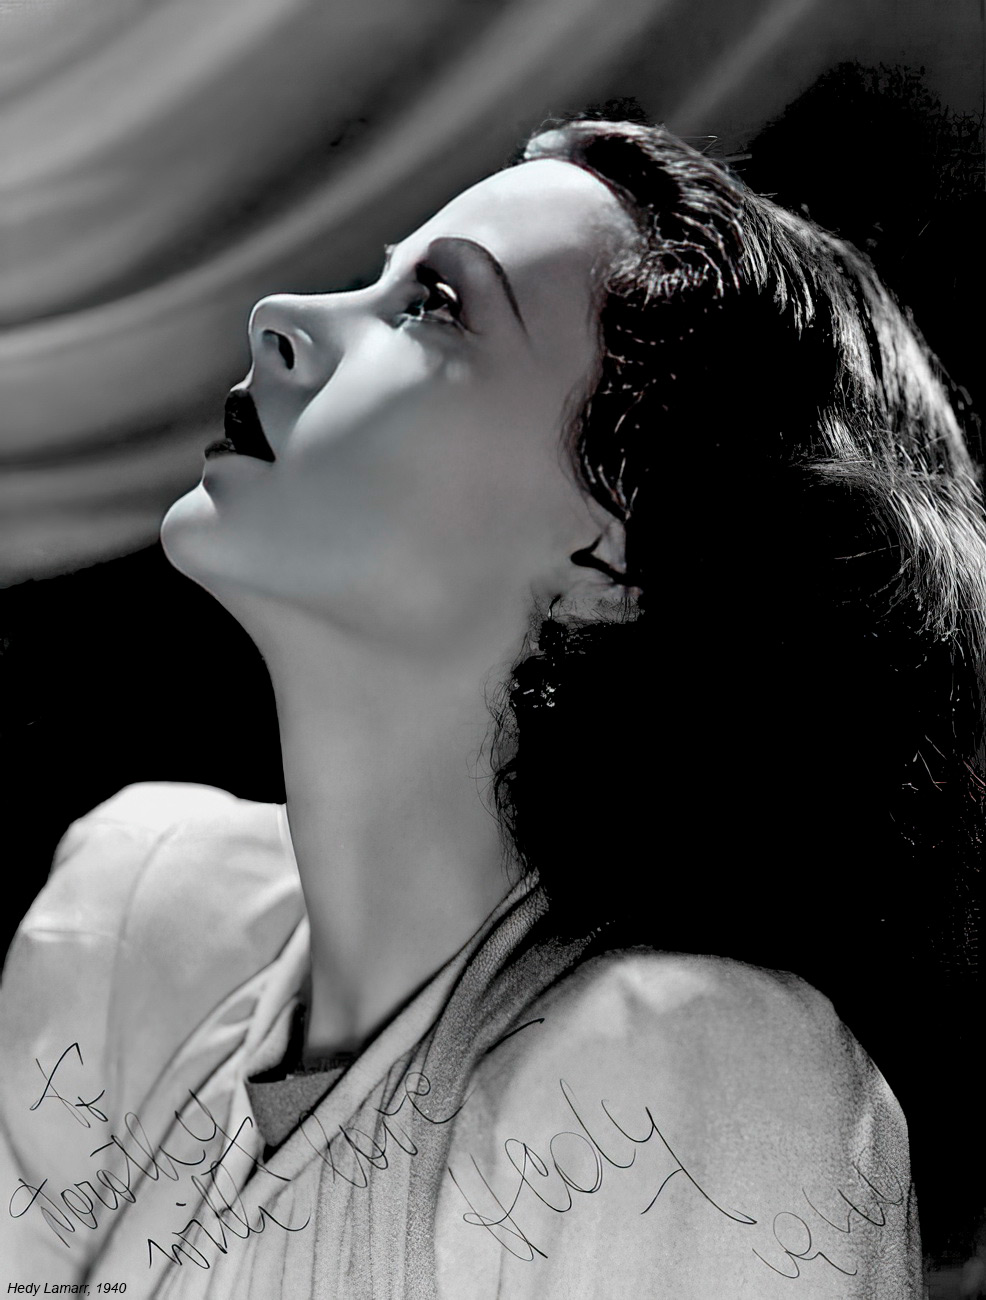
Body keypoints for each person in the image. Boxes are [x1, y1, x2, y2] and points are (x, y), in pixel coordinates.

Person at [4, 115, 981, 1297]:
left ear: (620, 559)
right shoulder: (144, 927)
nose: (282, 313)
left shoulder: (690, 1080)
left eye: (435, 306)